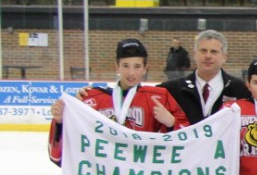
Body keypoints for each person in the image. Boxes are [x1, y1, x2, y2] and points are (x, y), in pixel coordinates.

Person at [48, 38, 188, 165]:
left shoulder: (159, 98)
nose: (131, 73)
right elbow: (60, 157)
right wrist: (60, 122)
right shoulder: (93, 99)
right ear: (117, 66)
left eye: (137, 66)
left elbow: (187, 142)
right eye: (125, 66)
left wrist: (171, 123)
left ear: (145, 69)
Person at [161, 29, 252, 125]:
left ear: (224, 57)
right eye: (203, 51)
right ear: (194, 54)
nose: (208, 56)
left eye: (214, 52)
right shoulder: (171, 90)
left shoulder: (241, 90)